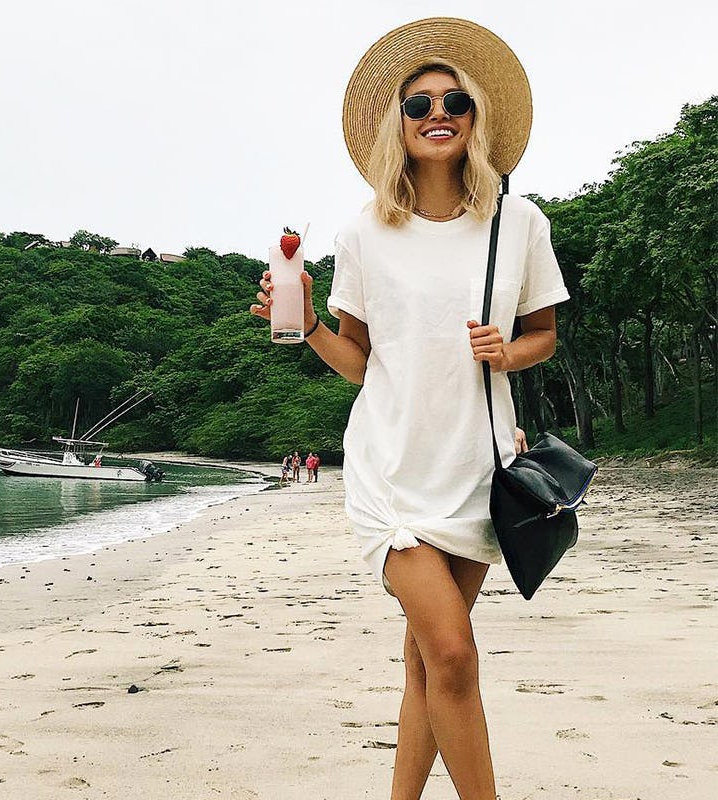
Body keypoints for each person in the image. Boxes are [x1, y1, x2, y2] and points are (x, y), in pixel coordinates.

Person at [249, 18, 569, 800]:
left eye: (456, 101)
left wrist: (508, 352)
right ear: (397, 122)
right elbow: (360, 363)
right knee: (453, 653)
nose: (438, 113)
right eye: (419, 102)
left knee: (428, 661)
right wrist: (308, 324)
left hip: (479, 467)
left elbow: (545, 335)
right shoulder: (365, 232)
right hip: (391, 470)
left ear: (475, 118)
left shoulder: (519, 223)